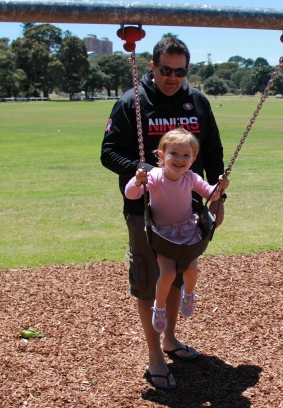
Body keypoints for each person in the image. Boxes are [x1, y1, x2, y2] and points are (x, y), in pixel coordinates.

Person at [101, 36, 225, 390]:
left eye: (180, 71)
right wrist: (144, 170)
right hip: (144, 210)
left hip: (188, 209)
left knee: (178, 275)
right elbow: (108, 153)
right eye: (166, 70)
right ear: (153, 66)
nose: (173, 77)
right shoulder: (131, 103)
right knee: (149, 280)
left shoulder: (197, 101)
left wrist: (218, 198)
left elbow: (213, 151)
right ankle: (155, 356)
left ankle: (170, 339)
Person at [124, 129, 229, 334]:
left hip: (188, 229)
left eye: (186, 155)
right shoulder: (154, 177)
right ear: (162, 156)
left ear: (193, 158)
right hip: (163, 234)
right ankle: (159, 307)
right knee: (168, 273)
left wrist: (221, 186)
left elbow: (211, 194)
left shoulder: (190, 177)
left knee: (192, 270)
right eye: (174, 154)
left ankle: (188, 294)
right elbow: (131, 194)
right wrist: (137, 181)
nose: (180, 159)